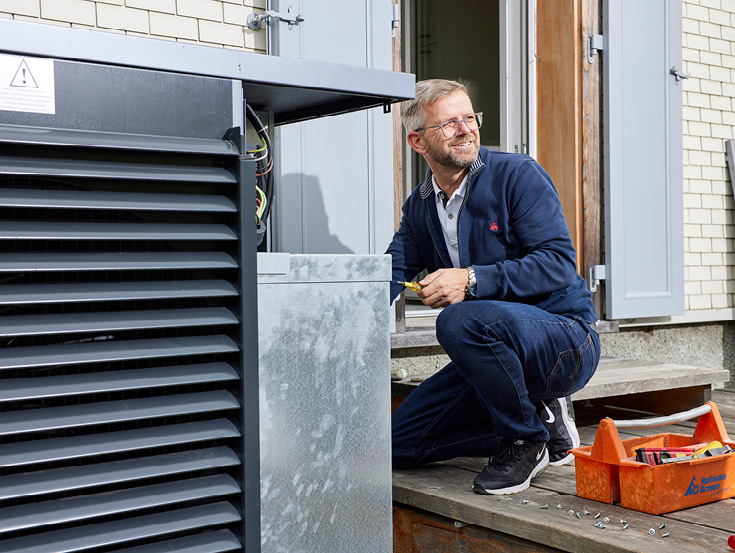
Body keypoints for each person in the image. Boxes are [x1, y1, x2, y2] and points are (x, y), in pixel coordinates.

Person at [387, 79, 600, 495]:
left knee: (458, 318)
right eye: (449, 124)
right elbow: (389, 274)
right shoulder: (419, 206)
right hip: (494, 351)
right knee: (399, 445)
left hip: (564, 338)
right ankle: (539, 420)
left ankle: (524, 440)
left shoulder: (517, 174)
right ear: (417, 141)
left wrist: (469, 278)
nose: (466, 129)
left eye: (470, 117)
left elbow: (559, 264)